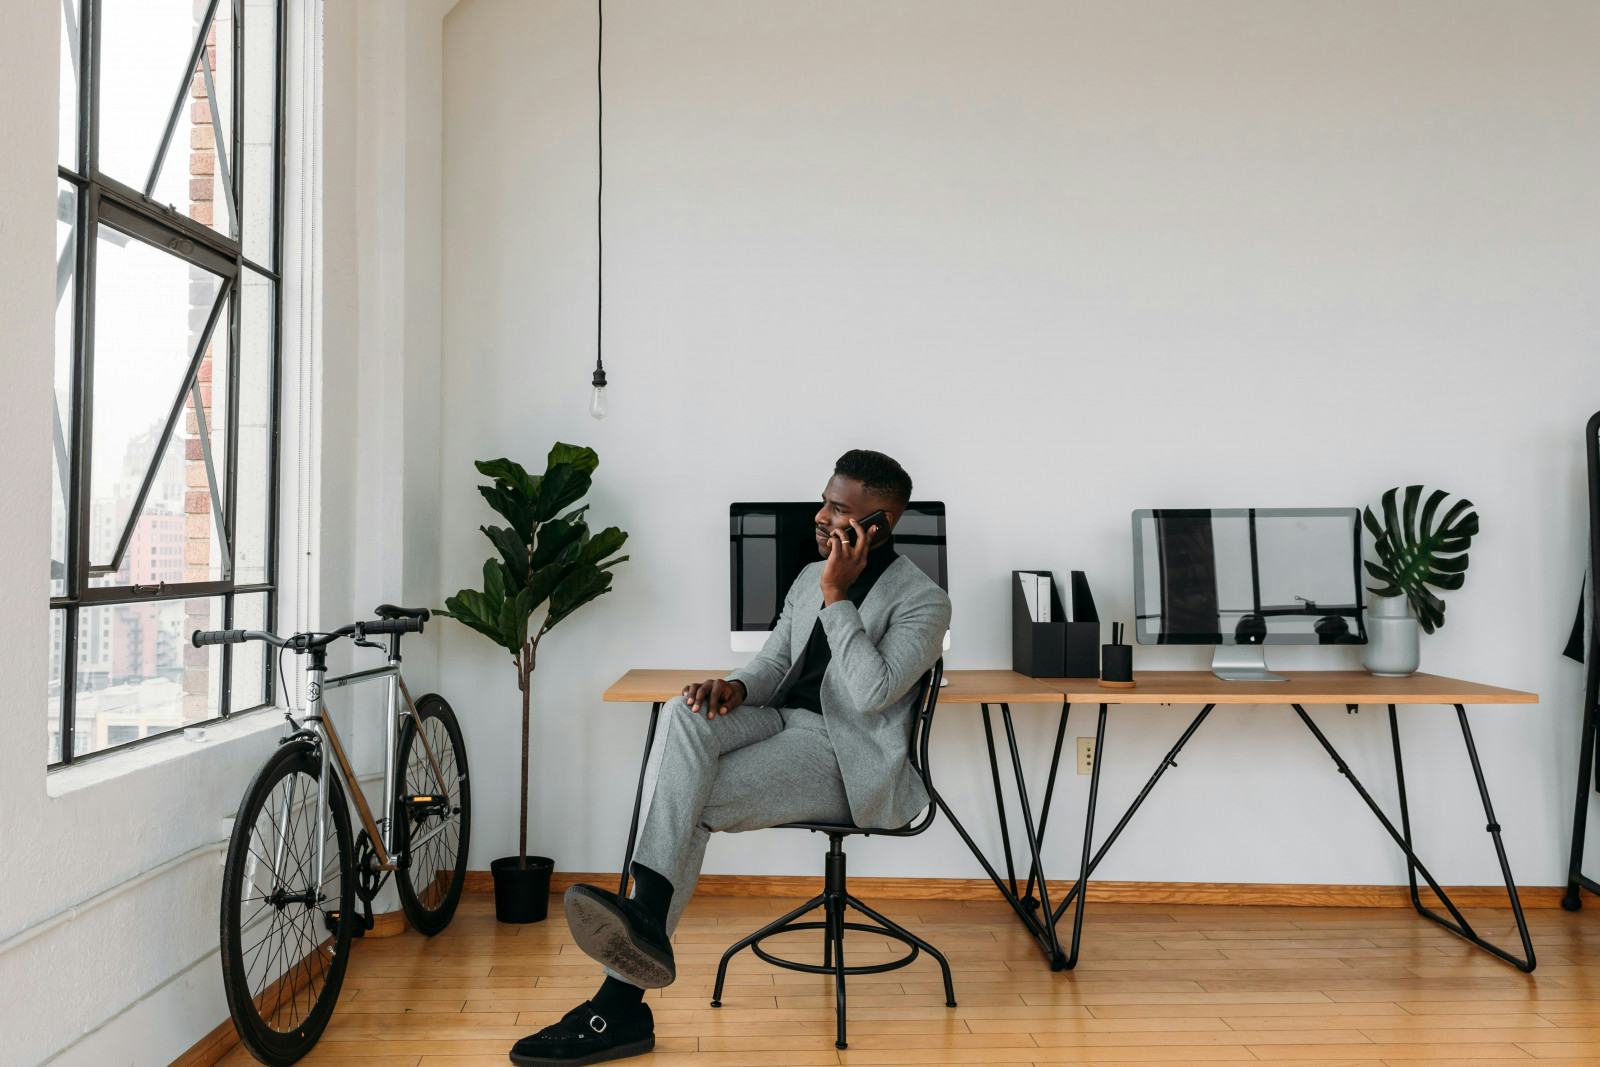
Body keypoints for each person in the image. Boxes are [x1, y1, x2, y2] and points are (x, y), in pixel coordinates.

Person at [508, 449, 952, 1066]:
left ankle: (621, 998)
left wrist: (837, 593)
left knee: (687, 798)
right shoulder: (807, 576)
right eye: (825, 499)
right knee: (681, 713)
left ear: (876, 526)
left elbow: (871, 694)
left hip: (844, 756)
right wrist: (735, 688)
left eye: (838, 509)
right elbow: (773, 664)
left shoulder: (923, 602)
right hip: (780, 721)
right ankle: (641, 923)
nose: (822, 516)